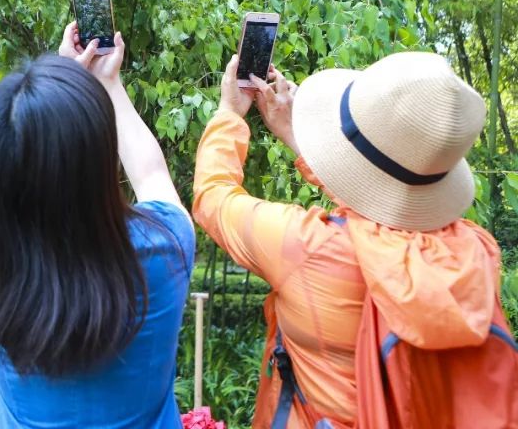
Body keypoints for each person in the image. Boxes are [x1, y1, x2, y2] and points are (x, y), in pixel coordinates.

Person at [193, 51, 516, 428]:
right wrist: (297, 139)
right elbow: (383, 217)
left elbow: (213, 196)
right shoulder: (476, 253)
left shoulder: (306, 247)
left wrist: (230, 114)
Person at [0, 22, 195, 428]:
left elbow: (23, 181)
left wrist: (59, 94)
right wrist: (107, 85)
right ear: (99, 161)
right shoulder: (163, 250)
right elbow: (152, 175)